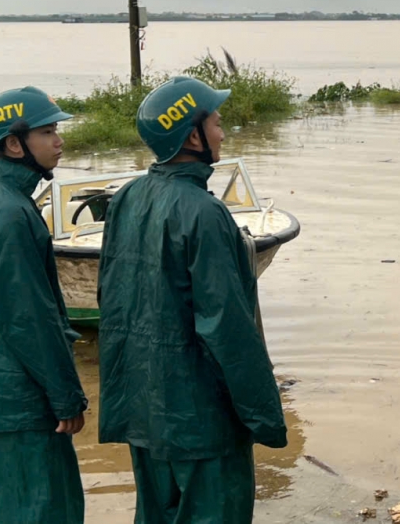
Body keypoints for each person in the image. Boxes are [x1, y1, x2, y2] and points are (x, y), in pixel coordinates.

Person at [96, 75, 287, 523]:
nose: (223, 134)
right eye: (217, 123)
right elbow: (228, 328)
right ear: (192, 135)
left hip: (143, 412)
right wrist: (264, 417)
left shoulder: (126, 198)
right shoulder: (205, 212)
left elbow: (111, 299)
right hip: (202, 422)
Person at [0, 86, 88, 524]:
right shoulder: (11, 212)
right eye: (48, 131)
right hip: (20, 401)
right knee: (44, 512)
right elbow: (28, 317)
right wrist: (66, 396)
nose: (59, 141)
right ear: (13, 144)